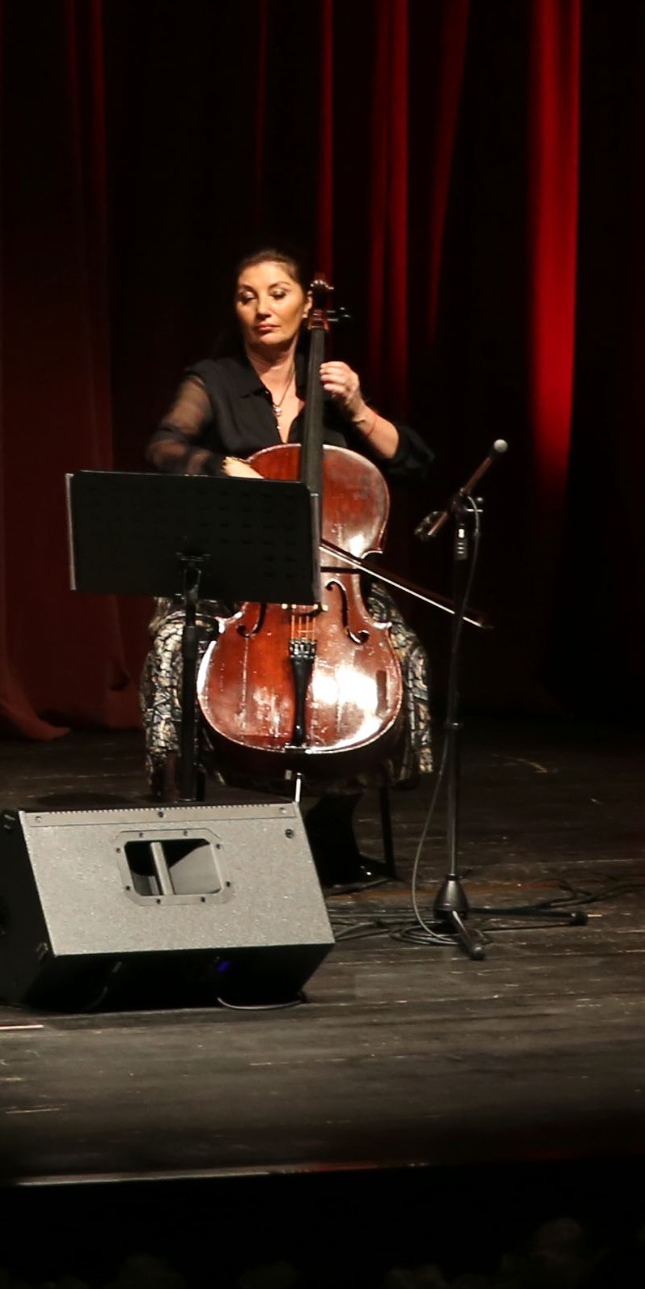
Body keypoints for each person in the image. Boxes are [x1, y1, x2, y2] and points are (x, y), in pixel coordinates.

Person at [142, 246, 434, 887]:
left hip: (328, 584)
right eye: (247, 296)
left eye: (276, 293)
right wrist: (223, 466)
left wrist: (357, 409)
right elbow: (164, 445)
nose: (261, 309)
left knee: (399, 652)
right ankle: (181, 823)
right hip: (235, 577)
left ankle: (332, 824)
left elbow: (411, 463)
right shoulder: (213, 379)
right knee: (172, 646)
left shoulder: (330, 383)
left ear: (307, 304)